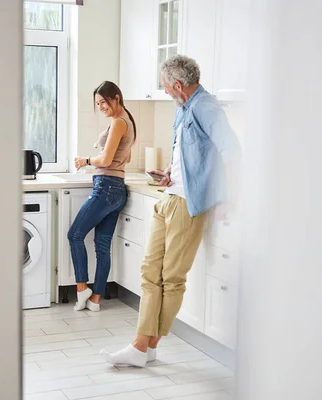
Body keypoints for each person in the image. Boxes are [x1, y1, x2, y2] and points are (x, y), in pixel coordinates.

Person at [100, 55, 242, 366]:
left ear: (178, 85)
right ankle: (145, 348)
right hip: (169, 195)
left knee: (171, 278)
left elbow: (231, 150)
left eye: (166, 87)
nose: (165, 92)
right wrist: (169, 172)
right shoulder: (183, 108)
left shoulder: (206, 106)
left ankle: (143, 345)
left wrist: (226, 199)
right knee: (150, 272)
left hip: (187, 203)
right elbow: (191, 155)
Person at [68, 81, 137, 312]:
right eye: (98, 104)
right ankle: (96, 299)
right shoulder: (128, 121)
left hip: (106, 187)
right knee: (102, 245)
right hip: (117, 189)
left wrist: (86, 160)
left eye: (104, 102)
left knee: (75, 234)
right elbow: (124, 159)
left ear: (116, 98)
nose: (101, 107)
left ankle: (81, 289)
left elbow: (106, 160)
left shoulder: (118, 123)